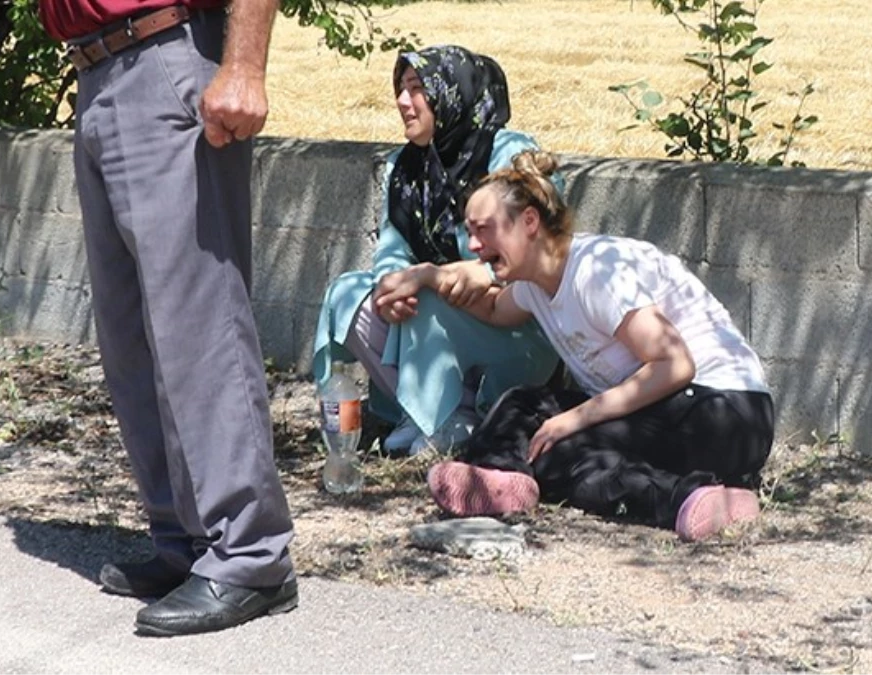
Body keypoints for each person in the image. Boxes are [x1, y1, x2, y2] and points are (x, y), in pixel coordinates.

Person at [36, 0, 296, 636]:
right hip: (98, 71)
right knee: (131, 335)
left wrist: (243, 64)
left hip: (166, 55)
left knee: (198, 322)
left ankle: (249, 556)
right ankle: (187, 538)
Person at [402, 150, 774, 542]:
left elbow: (675, 364)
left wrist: (575, 418)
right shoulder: (533, 284)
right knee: (523, 407)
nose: (474, 246)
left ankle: (691, 500)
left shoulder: (596, 271)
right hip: (675, 410)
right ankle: (503, 479)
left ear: (529, 221)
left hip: (725, 412)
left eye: (484, 230)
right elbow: (495, 308)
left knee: (565, 451)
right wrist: (428, 276)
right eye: (470, 232)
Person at [313, 45, 560, 456]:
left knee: (426, 290)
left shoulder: (507, 153)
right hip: (440, 311)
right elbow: (392, 246)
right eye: (400, 88)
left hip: (513, 319)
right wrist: (390, 287)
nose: (402, 101)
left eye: (416, 89)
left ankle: (459, 417)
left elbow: (546, 243)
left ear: (450, 94)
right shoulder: (405, 167)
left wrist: (484, 273)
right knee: (347, 295)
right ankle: (434, 414)